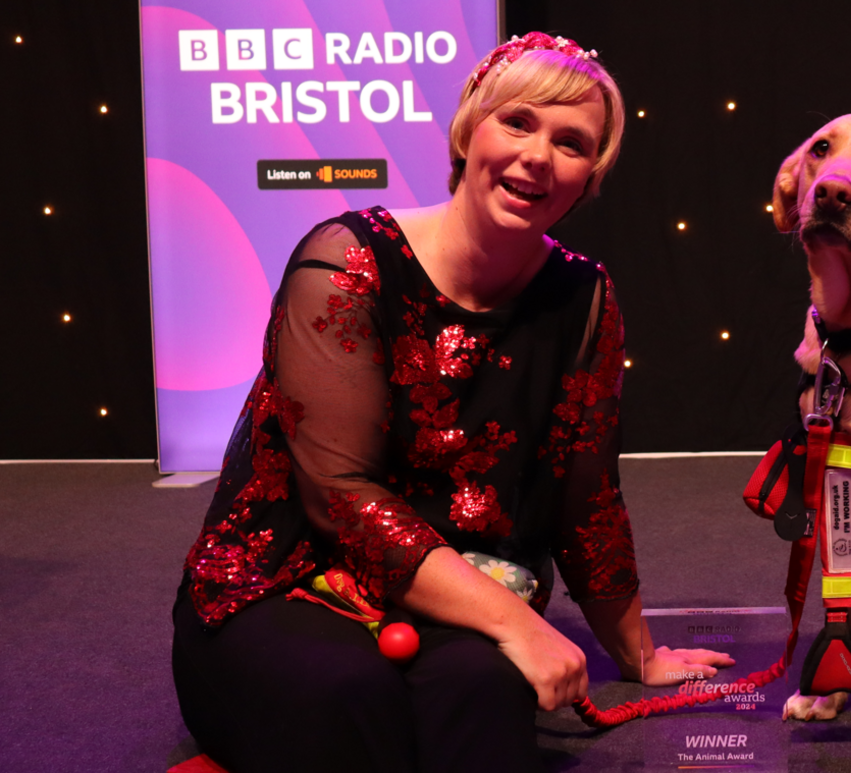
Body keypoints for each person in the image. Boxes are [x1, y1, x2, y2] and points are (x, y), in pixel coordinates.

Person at [172, 33, 731, 773]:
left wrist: (639, 653)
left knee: (486, 698)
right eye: (519, 122)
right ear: (468, 130)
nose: (539, 156)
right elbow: (339, 496)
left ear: (590, 176)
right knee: (352, 695)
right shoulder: (345, 259)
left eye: (572, 143)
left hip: (458, 597)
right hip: (287, 580)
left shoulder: (585, 297)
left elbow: (586, 498)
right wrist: (519, 626)